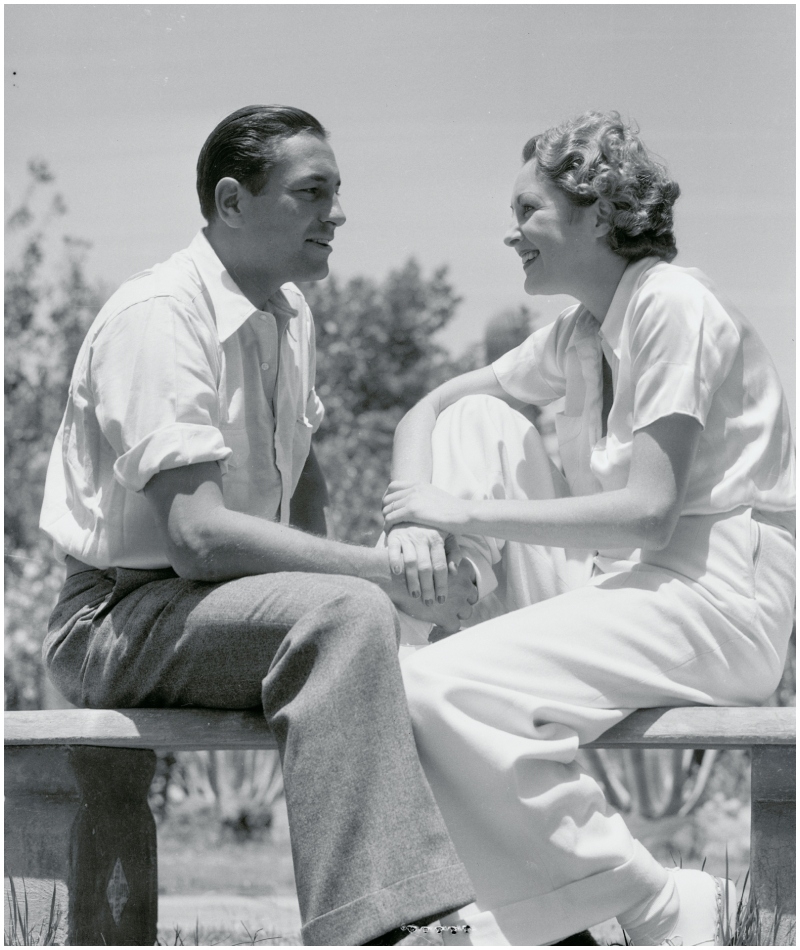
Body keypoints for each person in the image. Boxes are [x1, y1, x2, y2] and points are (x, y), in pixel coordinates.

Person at [38, 104, 481, 946]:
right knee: (352, 613)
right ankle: (379, 929)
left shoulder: (288, 314)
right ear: (233, 201)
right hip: (113, 620)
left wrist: (372, 591)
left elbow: (302, 472)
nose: (338, 214)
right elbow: (197, 536)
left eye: (338, 192)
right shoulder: (160, 316)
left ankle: (536, 906)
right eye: (313, 192)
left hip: (214, 614)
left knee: (395, 636)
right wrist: (374, 574)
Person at [382, 112, 795, 946]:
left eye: (528, 209)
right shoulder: (577, 332)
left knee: (429, 687)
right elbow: (428, 408)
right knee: (475, 420)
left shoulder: (672, 306)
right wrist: (414, 524)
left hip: (717, 598)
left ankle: (647, 902)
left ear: (599, 212)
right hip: (625, 588)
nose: (511, 232)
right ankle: (455, 601)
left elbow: (651, 513)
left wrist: (457, 512)